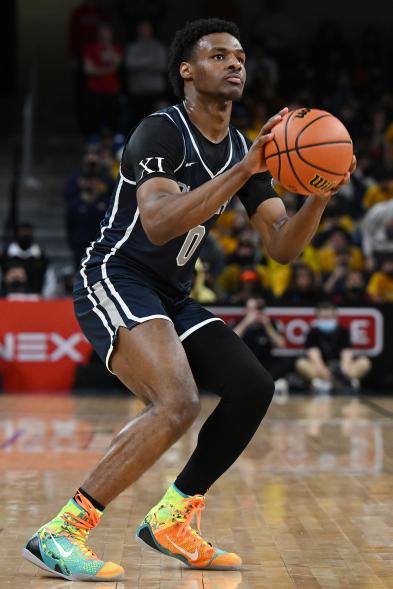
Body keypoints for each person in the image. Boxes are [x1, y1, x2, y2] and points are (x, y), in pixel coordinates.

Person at [24, 19, 355, 581]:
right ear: (187, 70)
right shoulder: (161, 132)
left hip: (171, 294)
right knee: (176, 402)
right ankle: (61, 533)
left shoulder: (244, 149)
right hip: (117, 276)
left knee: (254, 386)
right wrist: (247, 168)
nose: (235, 64)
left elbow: (281, 247)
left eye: (241, 57)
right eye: (219, 55)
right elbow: (156, 224)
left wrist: (318, 197)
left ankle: (173, 518)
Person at [295, 301, 371, 396]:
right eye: (323, 317)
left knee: (364, 362)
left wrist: (345, 371)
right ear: (317, 318)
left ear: (335, 316)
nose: (326, 320)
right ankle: (323, 383)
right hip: (321, 369)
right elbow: (314, 356)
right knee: (301, 363)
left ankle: (346, 382)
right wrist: (324, 372)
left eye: (329, 317)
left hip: (341, 368)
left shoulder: (343, 331)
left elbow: (346, 354)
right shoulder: (312, 333)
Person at [233, 297, 290, 400]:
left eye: (258, 309)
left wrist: (267, 326)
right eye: (252, 309)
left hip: (264, 363)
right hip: (245, 363)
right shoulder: (238, 322)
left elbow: (281, 344)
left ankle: (269, 383)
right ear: (245, 310)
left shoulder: (270, 324)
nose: (256, 313)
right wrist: (246, 323)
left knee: (286, 361)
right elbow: (231, 341)